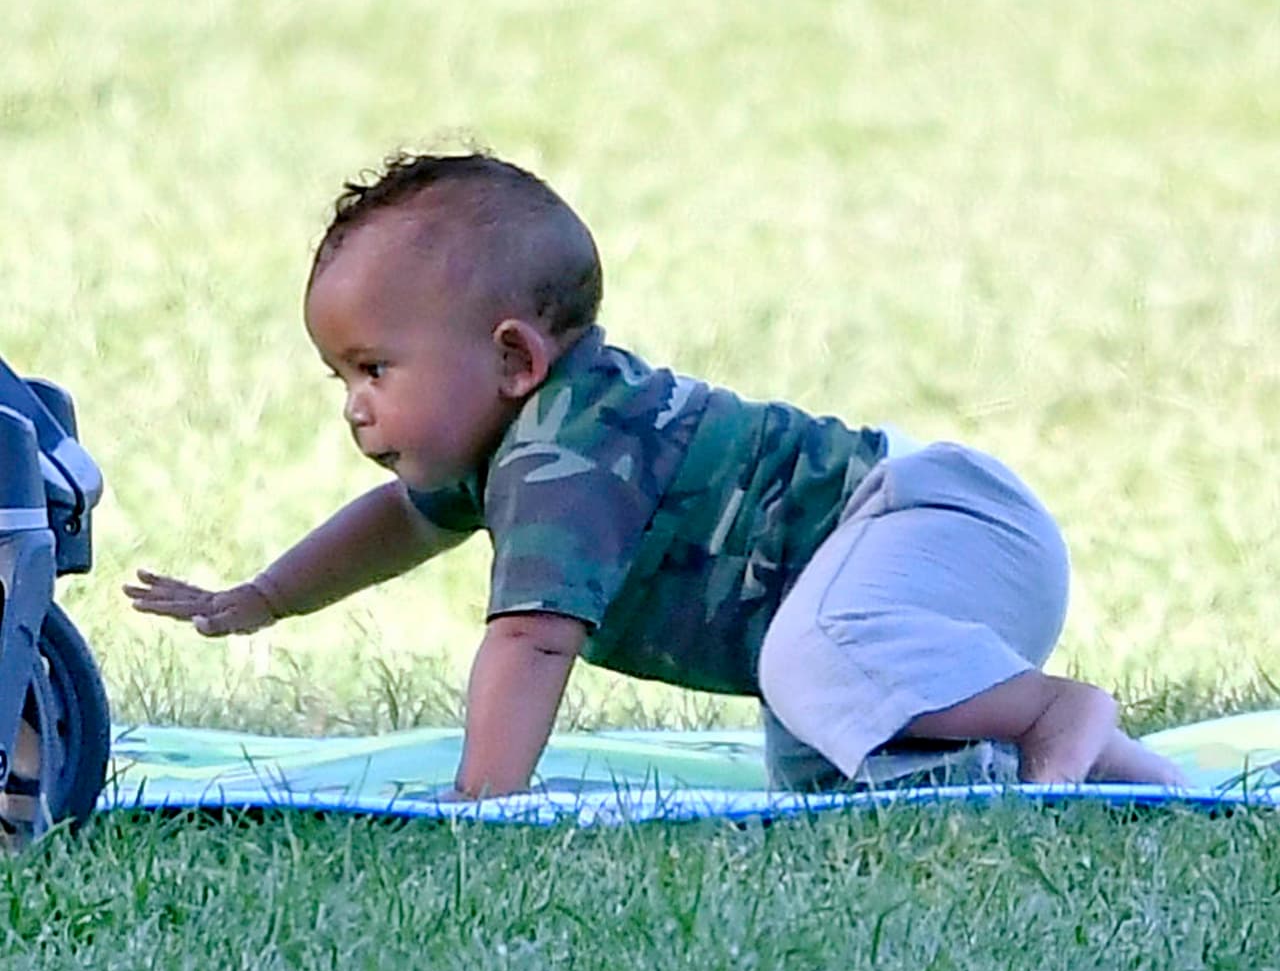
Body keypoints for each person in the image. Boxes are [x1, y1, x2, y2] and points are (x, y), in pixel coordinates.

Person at [124, 150, 1183, 799]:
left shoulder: (565, 453)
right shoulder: (507, 434)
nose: (354, 402)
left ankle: (1051, 712)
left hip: (933, 520)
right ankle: (1128, 777)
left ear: (511, 359)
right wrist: (261, 597)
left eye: (372, 368)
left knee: (812, 664)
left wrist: (481, 795)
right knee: (830, 768)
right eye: (340, 376)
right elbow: (398, 524)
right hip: (913, 557)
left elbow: (534, 637)